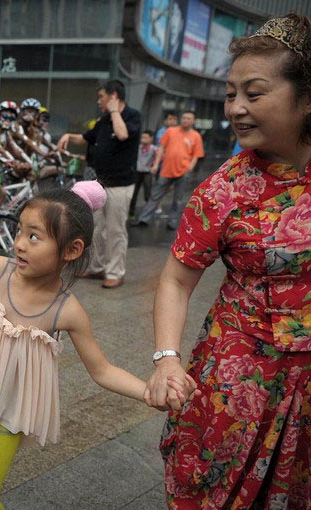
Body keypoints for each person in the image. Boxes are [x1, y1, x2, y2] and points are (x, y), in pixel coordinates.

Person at [0, 182, 197, 510]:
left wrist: (147, 392)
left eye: (34, 236)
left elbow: (102, 370)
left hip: (9, 412)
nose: (19, 244)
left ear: (71, 250)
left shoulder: (67, 310)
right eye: (19, 231)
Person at [144, 14, 311, 509]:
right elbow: (176, 278)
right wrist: (167, 359)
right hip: (237, 381)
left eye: (254, 94)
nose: (236, 108)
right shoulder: (224, 189)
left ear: (306, 99)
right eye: (231, 93)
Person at [57, 79, 141, 289]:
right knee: (97, 228)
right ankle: (97, 267)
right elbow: (86, 138)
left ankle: (115, 272)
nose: (98, 101)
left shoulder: (132, 116)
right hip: (99, 184)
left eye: (101, 97)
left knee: (115, 230)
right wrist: (68, 135)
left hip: (120, 184)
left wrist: (114, 112)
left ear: (113, 96)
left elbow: (122, 134)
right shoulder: (103, 120)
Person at [133, 111, 204, 230]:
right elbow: (161, 148)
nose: (185, 120)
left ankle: (172, 221)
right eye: (184, 117)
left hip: (183, 171)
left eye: (188, 118)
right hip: (166, 170)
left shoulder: (196, 136)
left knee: (178, 199)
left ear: (193, 121)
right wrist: (156, 164)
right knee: (155, 195)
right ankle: (143, 219)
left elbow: (196, 156)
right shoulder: (170, 131)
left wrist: (189, 169)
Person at [128, 130, 157, 217]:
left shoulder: (154, 149)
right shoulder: (138, 147)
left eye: (145, 137)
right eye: (142, 137)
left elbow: (160, 159)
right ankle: (131, 213)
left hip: (147, 173)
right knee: (134, 193)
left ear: (151, 139)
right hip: (137, 172)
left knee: (148, 193)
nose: (143, 139)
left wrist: (154, 165)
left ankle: (147, 214)